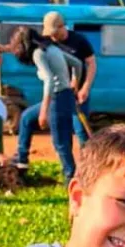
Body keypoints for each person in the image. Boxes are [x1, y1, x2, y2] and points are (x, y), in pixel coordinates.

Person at [7, 26, 82, 182]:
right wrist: (75, 82)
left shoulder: (38, 54)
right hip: (65, 94)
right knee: (26, 117)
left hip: (57, 98)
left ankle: (71, 178)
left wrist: (43, 111)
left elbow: (48, 80)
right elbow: (77, 63)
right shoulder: (52, 48)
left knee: (60, 143)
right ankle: (21, 159)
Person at [42, 11, 97, 147]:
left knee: (81, 129)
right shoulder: (48, 43)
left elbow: (91, 64)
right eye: (50, 33)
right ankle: (68, 165)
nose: (52, 36)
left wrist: (85, 88)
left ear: (62, 27)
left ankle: (88, 162)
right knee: (62, 131)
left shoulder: (79, 40)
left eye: (55, 32)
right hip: (59, 92)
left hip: (78, 93)